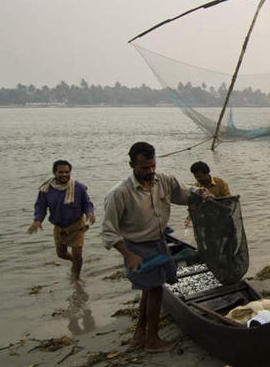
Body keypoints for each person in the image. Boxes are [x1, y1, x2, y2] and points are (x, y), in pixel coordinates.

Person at [101, 141, 210, 353]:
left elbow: (185, 193)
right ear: (132, 165)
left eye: (153, 166)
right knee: (155, 290)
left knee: (150, 290)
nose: (150, 171)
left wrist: (202, 193)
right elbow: (108, 231)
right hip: (138, 247)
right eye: (144, 168)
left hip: (159, 242)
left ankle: (140, 334)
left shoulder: (164, 181)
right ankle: (152, 340)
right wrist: (129, 255)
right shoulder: (120, 193)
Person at [27, 160, 96, 286]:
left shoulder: (78, 187)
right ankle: (74, 262)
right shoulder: (46, 189)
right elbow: (41, 206)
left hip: (77, 225)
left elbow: (86, 203)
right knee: (61, 254)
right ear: (54, 172)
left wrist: (89, 213)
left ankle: (76, 277)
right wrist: (37, 220)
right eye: (61, 172)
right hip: (59, 226)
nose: (64, 175)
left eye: (67, 172)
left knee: (77, 252)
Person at [183, 161, 232, 226]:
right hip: (206, 220)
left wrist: (215, 199)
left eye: (201, 176)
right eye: (196, 177)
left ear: (207, 173)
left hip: (223, 216)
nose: (199, 179)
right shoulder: (196, 188)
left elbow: (230, 199)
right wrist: (188, 220)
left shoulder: (220, 182)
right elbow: (193, 207)